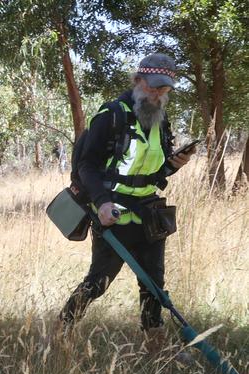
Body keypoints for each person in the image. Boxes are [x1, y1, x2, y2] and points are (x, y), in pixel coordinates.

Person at [58, 53, 196, 354]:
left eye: (164, 89)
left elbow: (155, 172)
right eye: (153, 87)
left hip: (149, 212)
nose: (158, 94)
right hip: (113, 214)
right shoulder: (111, 115)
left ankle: (154, 347)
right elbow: (87, 166)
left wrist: (175, 164)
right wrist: (103, 203)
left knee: (154, 285)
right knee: (98, 282)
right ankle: (62, 328)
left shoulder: (161, 121)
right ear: (137, 81)